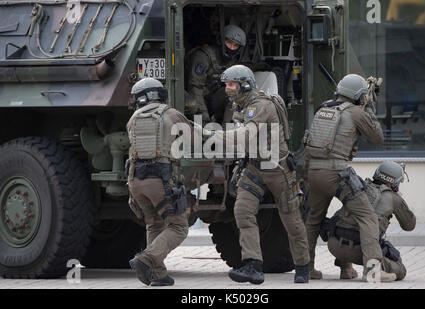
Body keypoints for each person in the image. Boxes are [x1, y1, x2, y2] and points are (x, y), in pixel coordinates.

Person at [204, 65, 310, 284]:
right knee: (242, 211)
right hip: (254, 167)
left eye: (231, 84)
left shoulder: (259, 105)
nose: (227, 89)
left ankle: (302, 266)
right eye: (226, 85)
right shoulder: (240, 105)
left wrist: (212, 135)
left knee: (291, 219)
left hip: (276, 169)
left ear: (244, 84)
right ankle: (253, 265)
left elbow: (245, 135)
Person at [303, 74, 396, 282]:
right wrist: (369, 107)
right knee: (368, 217)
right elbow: (377, 137)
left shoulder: (323, 108)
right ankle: (372, 271)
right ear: (359, 95)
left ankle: (306, 268)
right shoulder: (356, 112)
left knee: (313, 220)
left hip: (314, 172)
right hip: (337, 174)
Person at [126, 77, 192, 287]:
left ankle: (158, 275)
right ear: (159, 94)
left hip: (135, 182)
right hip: (159, 180)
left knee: (154, 223)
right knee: (179, 227)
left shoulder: (133, 119)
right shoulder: (170, 113)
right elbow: (191, 135)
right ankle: (146, 259)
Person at [321, 161, 416, 281]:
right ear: (395, 182)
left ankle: (346, 269)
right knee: (400, 270)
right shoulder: (394, 198)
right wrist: (400, 203)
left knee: (348, 224)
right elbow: (409, 226)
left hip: (334, 244)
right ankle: (373, 272)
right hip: (360, 252)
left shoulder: (359, 188)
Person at [185, 24, 246, 124]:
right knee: (192, 105)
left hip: (210, 99)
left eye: (235, 46)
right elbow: (194, 87)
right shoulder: (203, 56)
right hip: (193, 98)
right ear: (222, 41)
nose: (231, 48)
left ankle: (227, 132)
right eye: (229, 42)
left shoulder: (230, 61)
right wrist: (204, 117)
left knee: (234, 92)